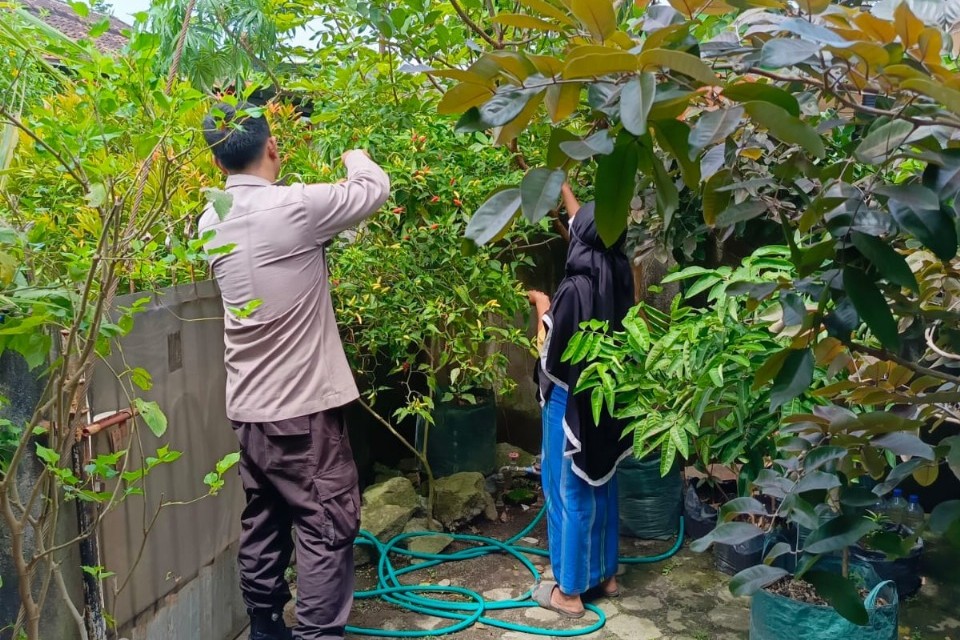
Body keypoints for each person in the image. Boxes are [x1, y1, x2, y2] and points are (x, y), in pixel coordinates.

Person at [198, 102, 390, 640]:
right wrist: (354, 154)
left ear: (218, 163)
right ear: (272, 146)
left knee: (265, 517)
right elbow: (373, 188)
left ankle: (264, 627)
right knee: (326, 525)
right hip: (302, 414)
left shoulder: (209, 221)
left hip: (249, 411)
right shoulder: (297, 207)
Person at [529, 190, 634, 618]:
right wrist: (564, 187)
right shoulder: (619, 271)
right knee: (602, 479)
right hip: (605, 400)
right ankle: (606, 576)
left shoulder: (574, 289)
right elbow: (587, 226)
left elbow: (549, 351)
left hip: (569, 403)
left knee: (567, 487)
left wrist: (543, 307)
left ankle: (569, 592)